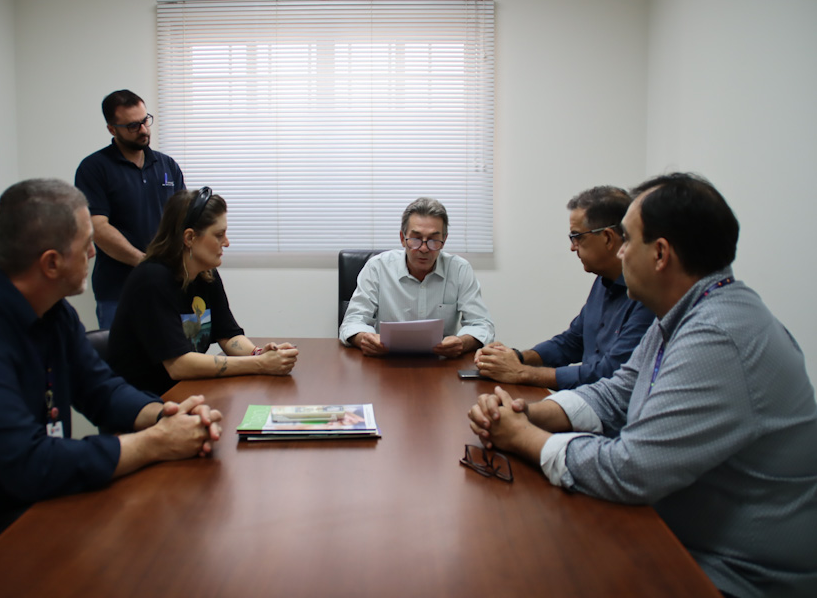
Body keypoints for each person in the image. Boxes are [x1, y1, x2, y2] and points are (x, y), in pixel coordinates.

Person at [467, 173, 817, 598]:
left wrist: (524, 437)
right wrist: (529, 413)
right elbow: (617, 392)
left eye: (628, 240)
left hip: (733, 577)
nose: (621, 252)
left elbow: (631, 470)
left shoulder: (717, 336)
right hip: (678, 540)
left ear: (660, 254)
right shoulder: (687, 313)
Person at [0, 179, 222, 596]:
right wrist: (155, 442)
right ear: (51, 263)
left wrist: (166, 415)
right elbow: (29, 464)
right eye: (86, 244)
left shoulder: (54, 313)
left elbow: (102, 389)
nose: (94, 253)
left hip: (28, 504)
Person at [108, 187, 299, 396]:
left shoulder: (206, 274)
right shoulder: (151, 280)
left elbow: (228, 336)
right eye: (219, 235)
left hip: (187, 392)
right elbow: (179, 365)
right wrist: (260, 364)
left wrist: (259, 353)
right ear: (189, 237)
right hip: (145, 401)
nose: (227, 242)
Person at [474, 186, 654, 389]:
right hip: (587, 398)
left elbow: (609, 374)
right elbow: (572, 342)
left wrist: (521, 372)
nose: (572, 247)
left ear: (608, 238)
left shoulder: (647, 296)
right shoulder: (603, 281)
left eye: (577, 236)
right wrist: (516, 357)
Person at [75, 89, 185, 329]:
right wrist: (145, 262)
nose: (143, 130)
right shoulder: (93, 168)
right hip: (118, 291)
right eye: (133, 126)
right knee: (121, 353)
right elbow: (97, 227)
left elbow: (184, 220)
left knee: (172, 350)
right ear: (112, 129)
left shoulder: (167, 165)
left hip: (167, 284)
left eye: (145, 120)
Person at [339, 197, 495, 358]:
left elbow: (482, 324)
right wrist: (367, 339)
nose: (424, 248)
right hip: (386, 360)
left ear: (444, 240)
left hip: (441, 362)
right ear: (402, 238)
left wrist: (462, 342)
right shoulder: (377, 267)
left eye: (433, 240)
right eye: (416, 239)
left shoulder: (459, 269)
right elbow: (352, 322)